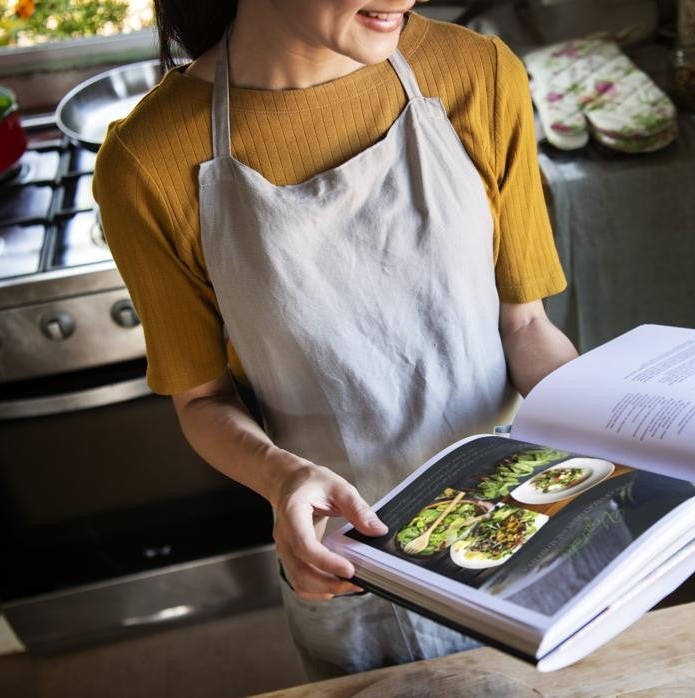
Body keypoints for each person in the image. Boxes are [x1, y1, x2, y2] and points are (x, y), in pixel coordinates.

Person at [92, 0, 577, 680]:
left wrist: (620, 435)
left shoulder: (479, 72)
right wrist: (278, 474)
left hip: (520, 515)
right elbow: (201, 399)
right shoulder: (148, 161)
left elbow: (524, 325)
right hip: (353, 562)